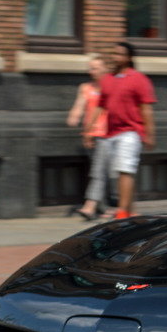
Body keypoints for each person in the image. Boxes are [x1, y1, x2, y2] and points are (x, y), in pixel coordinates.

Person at [87, 42, 156, 219]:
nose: (114, 57)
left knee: (125, 169)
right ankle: (130, 210)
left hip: (131, 131)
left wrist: (150, 134)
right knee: (121, 173)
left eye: (119, 54)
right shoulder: (108, 79)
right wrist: (89, 129)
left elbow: (146, 109)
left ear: (128, 58)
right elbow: (100, 106)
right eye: (113, 53)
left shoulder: (139, 79)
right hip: (111, 133)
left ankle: (122, 211)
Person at [68, 57, 111, 221]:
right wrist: (74, 116)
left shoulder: (111, 87)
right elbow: (79, 105)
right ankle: (106, 207)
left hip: (107, 134)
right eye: (90, 68)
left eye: (95, 68)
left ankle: (90, 206)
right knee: (102, 171)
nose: (91, 72)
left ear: (104, 69)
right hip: (89, 133)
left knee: (98, 170)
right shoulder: (85, 88)